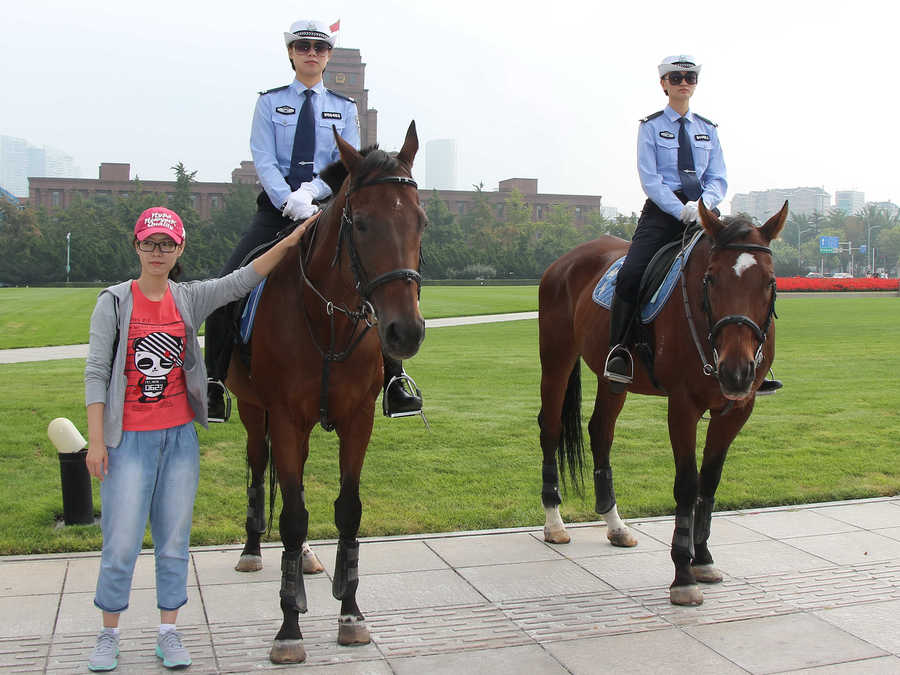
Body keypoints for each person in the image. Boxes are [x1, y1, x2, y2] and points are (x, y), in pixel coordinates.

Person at [83, 206, 314, 671]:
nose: (157, 252)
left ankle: (168, 632)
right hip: (126, 442)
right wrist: (95, 440)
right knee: (121, 543)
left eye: (166, 244)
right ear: (137, 245)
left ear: (179, 249)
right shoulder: (113, 301)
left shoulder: (187, 298)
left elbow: (243, 280)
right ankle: (109, 634)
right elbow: (95, 372)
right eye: (149, 243)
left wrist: (292, 240)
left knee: (173, 542)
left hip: (178, 440)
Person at [204, 18, 422, 423]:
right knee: (227, 284)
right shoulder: (269, 103)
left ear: (328, 57)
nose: (311, 54)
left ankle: (394, 378)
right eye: (303, 46)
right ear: (290, 53)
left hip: (328, 208)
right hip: (275, 211)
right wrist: (288, 199)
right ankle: (215, 382)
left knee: (375, 281)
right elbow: (264, 158)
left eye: (319, 49)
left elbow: (348, 164)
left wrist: (312, 195)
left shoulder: (344, 107)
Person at [604, 54, 781, 394]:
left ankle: (758, 360)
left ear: (695, 84)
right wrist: (679, 209)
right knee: (630, 274)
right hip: (660, 214)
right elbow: (650, 179)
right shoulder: (651, 126)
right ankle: (620, 352)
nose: (683, 83)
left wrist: (702, 206)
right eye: (675, 77)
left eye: (690, 78)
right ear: (664, 84)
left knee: (742, 275)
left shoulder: (708, 129)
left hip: (705, 215)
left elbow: (718, 178)